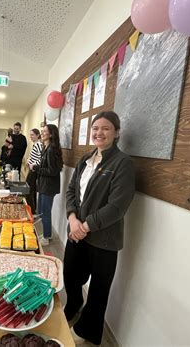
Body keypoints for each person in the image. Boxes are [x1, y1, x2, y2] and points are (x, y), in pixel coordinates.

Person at [63, 111, 135, 346]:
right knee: (71, 275)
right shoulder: (85, 159)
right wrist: (73, 219)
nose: (99, 132)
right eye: (95, 128)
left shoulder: (122, 163)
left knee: (98, 290)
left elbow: (117, 206)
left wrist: (86, 225)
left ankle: (86, 331)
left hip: (104, 238)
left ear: (116, 133)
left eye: (105, 128)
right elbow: (72, 191)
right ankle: (73, 307)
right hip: (76, 232)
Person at [29, 124, 62, 246]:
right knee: (42, 211)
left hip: (49, 186)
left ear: (51, 134)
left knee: (45, 212)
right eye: (41, 131)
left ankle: (47, 237)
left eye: (44, 132)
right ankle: (47, 233)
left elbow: (52, 171)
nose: (41, 133)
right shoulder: (46, 147)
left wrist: (36, 168)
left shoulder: (52, 150)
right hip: (44, 185)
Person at [25, 128, 43, 214]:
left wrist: (33, 165)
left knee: (27, 190)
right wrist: (29, 160)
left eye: (32, 135)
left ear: (38, 135)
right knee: (32, 190)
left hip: (34, 171)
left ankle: (31, 210)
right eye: (30, 135)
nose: (31, 137)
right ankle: (33, 209)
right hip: (32, 169)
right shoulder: (36, 144)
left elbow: (41, 159)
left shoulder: (38, 144)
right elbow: (35, 157)